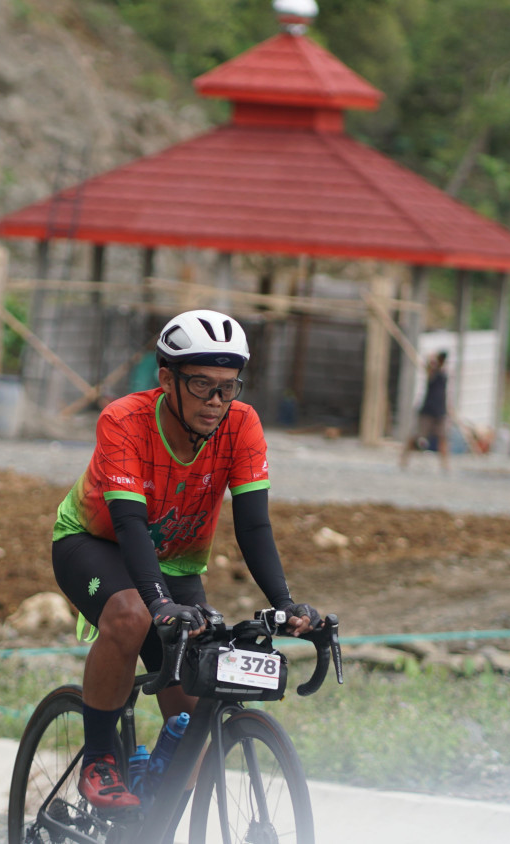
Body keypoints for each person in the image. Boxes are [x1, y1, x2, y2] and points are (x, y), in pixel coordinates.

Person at [51, 309, 325, 809]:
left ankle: (152, 809)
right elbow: (129, 525)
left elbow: (253, 526)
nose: (216, 401)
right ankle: (99, 760)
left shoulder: (241, 424)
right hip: (94, 543)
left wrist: (285, 602)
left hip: (176, 564)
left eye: (228, 387)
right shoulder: (124, 420)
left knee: (197, 712)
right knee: (131, 615)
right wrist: (158, 605)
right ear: (166, 380)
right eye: (201, 385)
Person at [400, 350, 450, 473]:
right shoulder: (432, 372)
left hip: (440, 411)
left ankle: (445, 465)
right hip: (428, 411)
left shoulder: (443, 374)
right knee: (417, 436)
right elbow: (428, 368)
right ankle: (404, 459)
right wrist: (431, 358)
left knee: (442, 438)